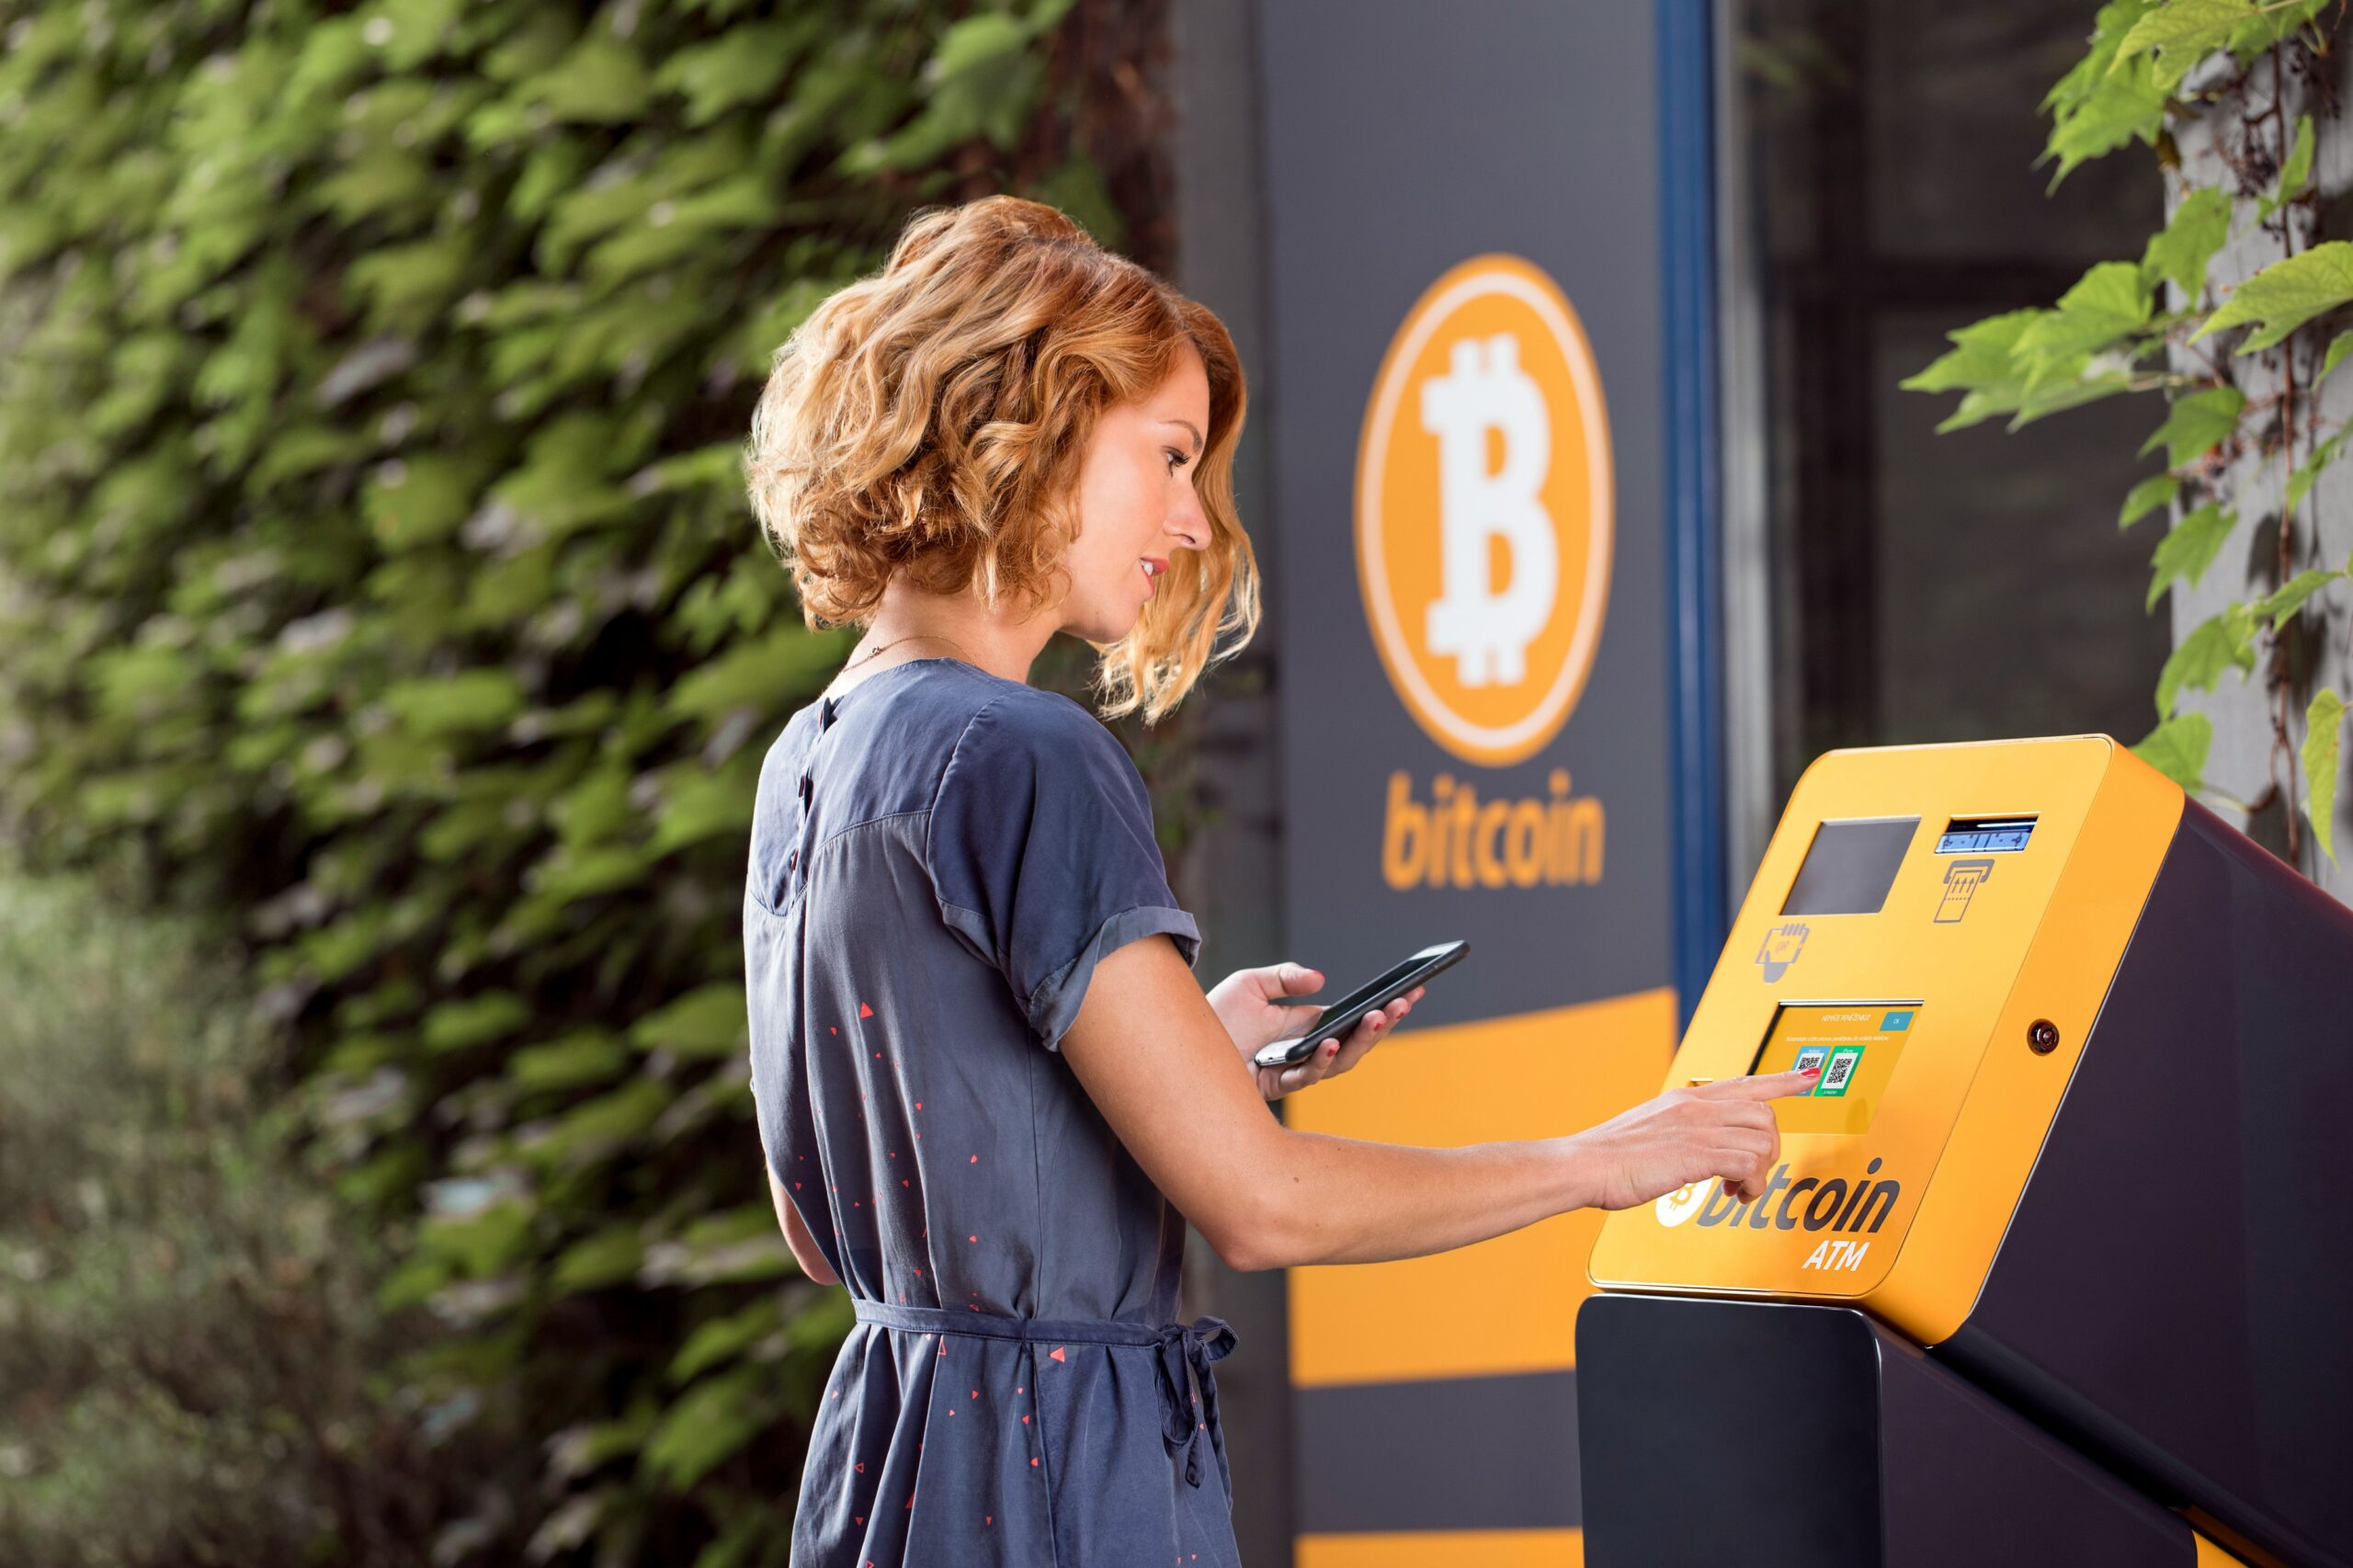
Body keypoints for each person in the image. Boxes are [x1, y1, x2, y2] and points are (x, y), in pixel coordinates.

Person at [738, 195, 1817, 1568]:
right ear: (1039, 426)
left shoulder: (813, 758)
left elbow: (828, 1226)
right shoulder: (1027, 756)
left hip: (887, 1478)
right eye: (1172, 456)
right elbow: (1262, 1205)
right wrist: (1604, 1158)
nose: (1193, 521)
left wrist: (1186, 1055)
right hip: (1066, 1486)